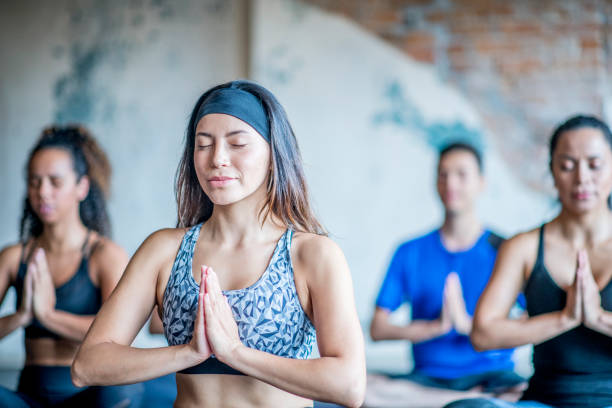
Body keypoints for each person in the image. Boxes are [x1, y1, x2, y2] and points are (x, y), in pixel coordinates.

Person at [71, 80, 366, 408]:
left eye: (237, 144)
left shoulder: (311, 255)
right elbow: (88, 366)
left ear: (273, 154)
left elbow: (349, 386)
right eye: (203, 144)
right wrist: (189, 353)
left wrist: (236, 353)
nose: (217, 159)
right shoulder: (164, 250)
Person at [447, 115, 612, 407]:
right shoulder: (522, 247)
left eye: (595, 165)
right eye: (567, 165)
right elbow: (483, 333)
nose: (582, 178)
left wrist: (598, 318)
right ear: (552, 171)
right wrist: (564, 319)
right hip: (545, 400)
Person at [369, 142, 525, 403]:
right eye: (443, 174)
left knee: (525, 393)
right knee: (362, 389)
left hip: (494, 377)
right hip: (428, 378)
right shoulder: (409, 251)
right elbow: (378, 328)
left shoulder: (506, 250)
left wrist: (470, 326)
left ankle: (454, 401)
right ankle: (461, 399)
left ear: (481, 183)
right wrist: (434, 327)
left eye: (461, 175)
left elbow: (534, 320)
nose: (451, 184)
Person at [0, 125, 143, 407]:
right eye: (34, 181)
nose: (43, 192)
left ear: (82, 186)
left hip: (88, 397)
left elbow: (120, 335)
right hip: (28, 398)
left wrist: (49, 316)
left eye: (55, 181)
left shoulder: (105, 255)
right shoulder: (15, 256)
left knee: (127, 390)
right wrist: (21, 316)